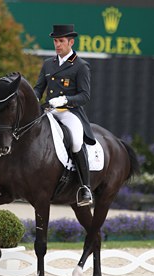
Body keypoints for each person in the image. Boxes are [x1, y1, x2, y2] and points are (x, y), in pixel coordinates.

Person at [34, 24, 96, 207]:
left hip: (69, 112)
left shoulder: (81, 66)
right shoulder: (48, 64)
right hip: (49, 111)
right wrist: (33, 99)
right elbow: (38, 89)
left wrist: (64, 100)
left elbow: (85, 96)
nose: (57, 44)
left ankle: (85, 187)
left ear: (71, 42)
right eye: (55, 41)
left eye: (61, 41)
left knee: (76, 141)